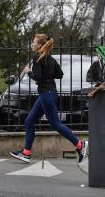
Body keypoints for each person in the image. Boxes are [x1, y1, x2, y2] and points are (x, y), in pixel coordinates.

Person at [10, 34, 87, 164]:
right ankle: (26, 153)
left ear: (39, 45)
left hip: (46, 95)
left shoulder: (38, 58)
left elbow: (38, 77)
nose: (32, 44)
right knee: (29, 121)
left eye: (34, 42)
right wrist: (46, 76)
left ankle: (80, 145)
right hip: (49, 93)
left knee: (55, 124)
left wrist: (28, 71)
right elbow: (60, 74)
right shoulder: (50, 59)